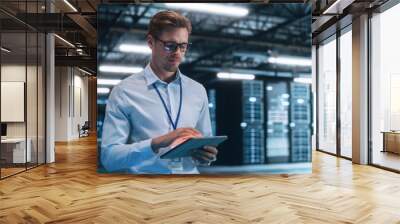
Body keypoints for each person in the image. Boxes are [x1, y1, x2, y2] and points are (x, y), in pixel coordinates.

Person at [101, 10, 218, 174]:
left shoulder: (198, 91)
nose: (177, 53)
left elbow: (204, 144)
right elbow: (109, 158)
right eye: (170, 45)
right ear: (150, 42)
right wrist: (157, 143)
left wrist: (206, 156)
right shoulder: (124, 91)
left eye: (183, 46)